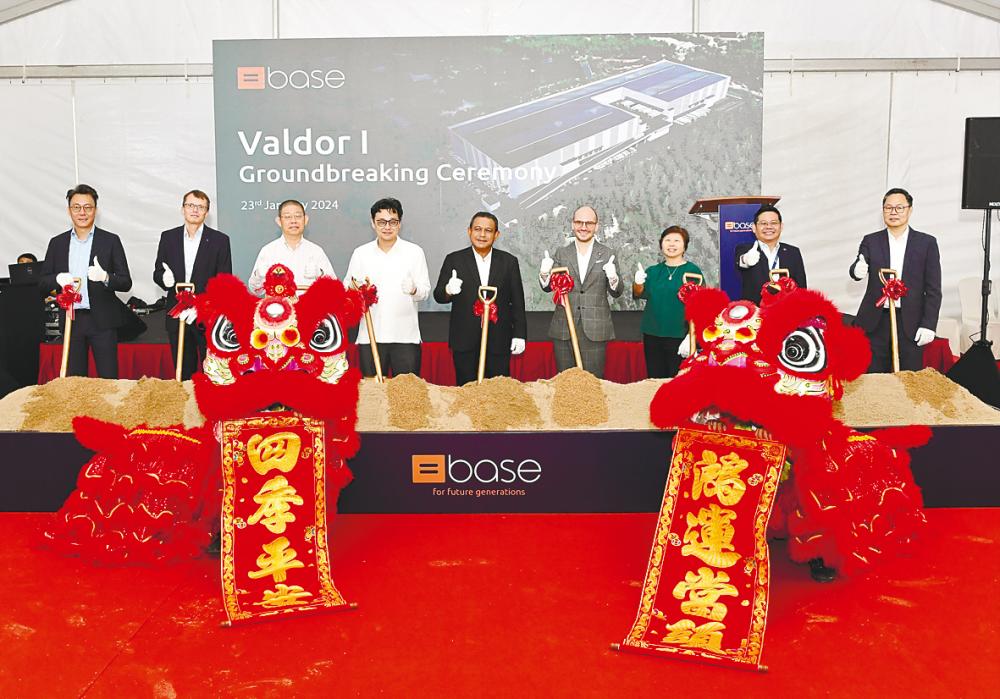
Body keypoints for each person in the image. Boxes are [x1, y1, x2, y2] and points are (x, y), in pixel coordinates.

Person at [38, 184, 132, 378]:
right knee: (75, 381)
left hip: (103, 321)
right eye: (76, 207)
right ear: (69, 210)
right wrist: (57, 279)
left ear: (95, 210)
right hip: (71, 321)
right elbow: (42, 283)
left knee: (109, 379)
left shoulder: (110, 241)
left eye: (88, 207)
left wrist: (106, 277)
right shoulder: (57, 243)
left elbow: (125, 282)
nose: (82, 212)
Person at [849, 188, 941, 372]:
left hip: (910, 323)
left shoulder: (926, 243)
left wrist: (929, 324)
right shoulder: (871, 240)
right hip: (875, 323)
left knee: (908, 381)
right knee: (874, 378)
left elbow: (933, 290)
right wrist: (856, 271)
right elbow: (858, 266)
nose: (893, 212)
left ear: (910, 210)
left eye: (899, 207)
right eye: (888, 208)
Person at [433, 211, 526, 386]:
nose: (482, 235)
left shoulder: (509, 262)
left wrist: (520, 335)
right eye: (477, 229)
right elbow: (439, 296)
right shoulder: (454, 260)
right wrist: (448, 290)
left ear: (496, 234)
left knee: (498, 393)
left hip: (499, 339)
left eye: (488, 230)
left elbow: (518, 302)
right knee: (467, 392)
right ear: (469, 231)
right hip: (464, 340)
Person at [344, 197, 430, 378]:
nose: (387, 227)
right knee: (374, 396)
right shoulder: (361, 253)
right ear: (373, 223)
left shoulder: (414, 252)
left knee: (407, 395)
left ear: (400, 224)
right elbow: (347, 289)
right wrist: (356, 293)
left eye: (393, 222)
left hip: (405, 336)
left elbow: (425, 292)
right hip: (371, 335)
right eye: (381, 222)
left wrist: (414, 289)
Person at [152, 190, 232, 380]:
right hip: (176, 314)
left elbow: (224, 281)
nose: (195, 210)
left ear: (206, 212)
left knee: (211, 370)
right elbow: (157, 272)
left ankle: (210, 408)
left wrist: (203, 306)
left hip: (207, 317)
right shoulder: (168, 237)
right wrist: (164, 279)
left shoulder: (220, 241)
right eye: (191, 205)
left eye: (201, 207)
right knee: (182, 370)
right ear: (183, 209)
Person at [539, 205, 622, 378]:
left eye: (589, 223)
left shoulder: (608, 254)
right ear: (572, 224)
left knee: (592, 384)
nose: (583, 227)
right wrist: (545, 273)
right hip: (564, 328)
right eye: (579, 222)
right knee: (565, 384)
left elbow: (617, 292)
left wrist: (613, 277)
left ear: (596, 226)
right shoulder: (561, 253)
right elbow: (548, 287)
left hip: (595, 329)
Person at [633, 226, 703, 378]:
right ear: (661, 244)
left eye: (677, 241)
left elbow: (701, 306)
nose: (672, 244)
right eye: (668, 240)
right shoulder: (652, 271)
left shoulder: (693, 271)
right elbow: (638, 294)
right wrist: (637, 282)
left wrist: (691, 336)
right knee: (655, 379)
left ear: (685, 246)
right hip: (652, 334)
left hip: (680, 335)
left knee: (678, 381)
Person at [248, 199, 335, 294]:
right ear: (279, 221)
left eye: (298, 216)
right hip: (279, 308)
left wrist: (321, 275)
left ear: (305, 220)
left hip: (310, 307)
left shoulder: (316, 251)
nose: (293, 221)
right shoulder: (268, 251)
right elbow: (256, 291)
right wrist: (259, 276)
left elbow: (334, 289)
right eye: (287, 217)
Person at [735, 204, 807, 304]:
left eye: (774, 223)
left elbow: (802, 288)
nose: (769, 227)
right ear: (754, 228)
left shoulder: (793, 252)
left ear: (781, 226)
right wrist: (746, 260)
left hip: (786, 312)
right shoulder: (745, 249)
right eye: (763, 223)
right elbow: (741, 261)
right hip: (756, 313)